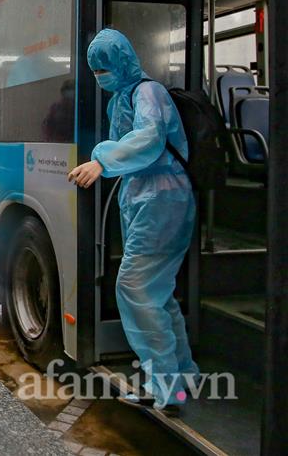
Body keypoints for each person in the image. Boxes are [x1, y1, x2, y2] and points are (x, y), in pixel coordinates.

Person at [67, 28, 198, 416]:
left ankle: (168, 390)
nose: (100, 75)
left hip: (163, 199)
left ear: (123, 61)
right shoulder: (124, 97)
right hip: (149, 197)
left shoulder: (147, 92)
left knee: (135, 287)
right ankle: (183, 374)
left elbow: (150, 137)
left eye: (104, 67)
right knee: (157, 291)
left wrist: (101, 161)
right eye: (94, 70)